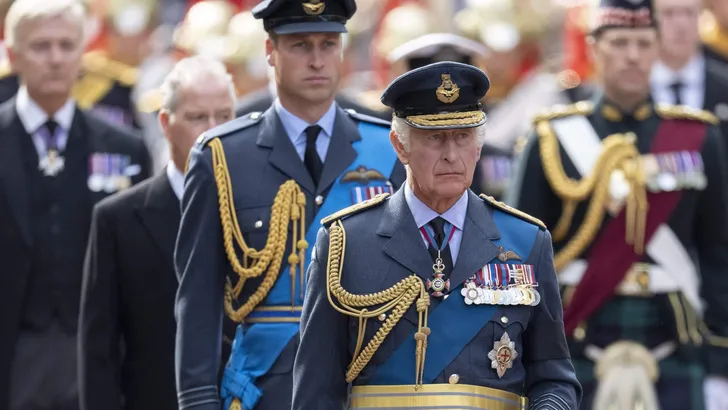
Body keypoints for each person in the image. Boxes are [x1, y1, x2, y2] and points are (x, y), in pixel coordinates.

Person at [292, 61, 582, 410]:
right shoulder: (346, 242)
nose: (451, 155)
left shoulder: (526, 241)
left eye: (463, 137)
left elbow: (553, 376)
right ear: (400, 146)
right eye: (435, 139)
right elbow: (316, 390)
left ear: (478, 147)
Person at [174, 0, 406, 409]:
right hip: (264, 393)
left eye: (328, 44)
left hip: (364, 388)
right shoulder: (223, 158)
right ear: (270, 51)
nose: (317, 60)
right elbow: (198, 300)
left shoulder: (389, 149)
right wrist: (197, 401)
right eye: (300, 45)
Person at [506, 0, 728, 408]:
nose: (632, 55)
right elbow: (519, 255)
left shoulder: (698, 137)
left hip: (674, 336)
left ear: (657, 48)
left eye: (643, 43)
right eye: (619, 42)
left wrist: (720, 361)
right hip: (575, 335)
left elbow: (719, 256)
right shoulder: (551, 137)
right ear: (593, 48)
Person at [0, 0, 151, 408]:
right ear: (12, 54)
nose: (55, 59)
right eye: (40, 46)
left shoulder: (125, 147)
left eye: (67, 45)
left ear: (83, 51)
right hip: (12, 356)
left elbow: (140, 266)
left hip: (97, 356)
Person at [78, 56, 235, 410]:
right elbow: (99, 351)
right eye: (197, 117)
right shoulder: (117, 219)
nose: (213, 131)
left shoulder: (267, 208)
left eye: (224, 116)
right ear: (165, 123)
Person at [651, 0, 728, 158]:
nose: (681, 24)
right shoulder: (633, 87)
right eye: (669, 13)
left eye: (689, 13)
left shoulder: (724, 84)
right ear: (652, 19)